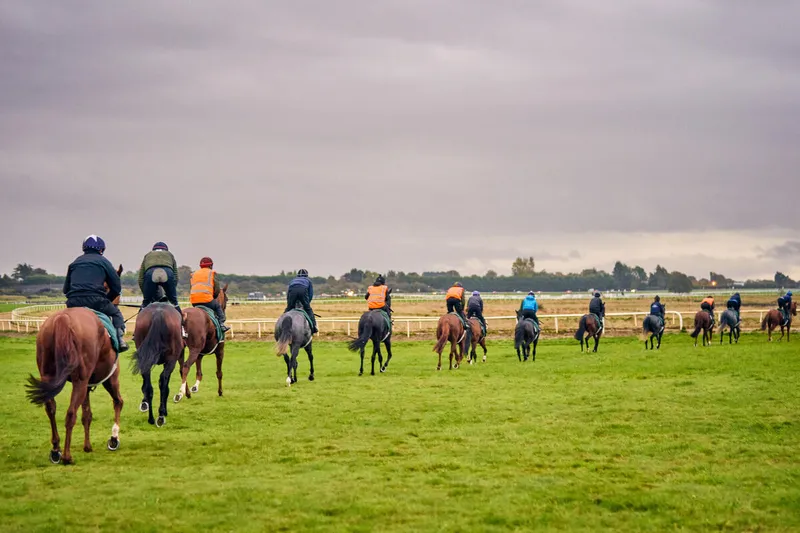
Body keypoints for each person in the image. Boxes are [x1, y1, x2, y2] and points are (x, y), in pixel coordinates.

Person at [63, 235, 128, 352]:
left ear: (84, 248)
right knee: (116, 313)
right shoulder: (104, 262)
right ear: (101, 249)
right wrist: (108, 299)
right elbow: (116, 287)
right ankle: (120, 339)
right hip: (96, 301)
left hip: (73, 302)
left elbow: (65, 289)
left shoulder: (74, 263)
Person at [190, 257, 229, 332]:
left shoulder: (194, 274)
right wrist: (213, 297)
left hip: (194, 301)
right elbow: (217, 289)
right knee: (217, 306)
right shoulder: (212, 273)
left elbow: (191, 288)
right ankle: (221, 324)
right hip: (207, 300)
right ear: (211, 266)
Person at [138, 242, 180, 312]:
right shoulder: (170, 255)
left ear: (153, 250)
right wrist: (170, 292)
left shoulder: (147, 255)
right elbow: (175, 276)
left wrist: (146, 294)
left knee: (145, 303)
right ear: (166, 250)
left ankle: (138, 320)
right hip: (168, 272)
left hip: (150, 272)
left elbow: (141, 279)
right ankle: (182, 320)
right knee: (174, 302)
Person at [286, 268, 317, 334]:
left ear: (298, 275)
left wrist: (289, 304)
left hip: (292, 291)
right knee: (308, 309)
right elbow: (310, 294)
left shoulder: (293, 280)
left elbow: (288, 293)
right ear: (306, 275)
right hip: (303, 290)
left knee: (288, 309)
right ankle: (314, 327)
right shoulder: (308, 280)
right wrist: (307, 304)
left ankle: (283, 325)